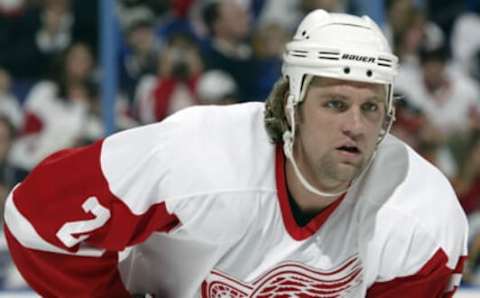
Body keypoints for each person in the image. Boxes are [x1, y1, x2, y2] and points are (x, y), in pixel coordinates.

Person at [3, 10, 468, 297]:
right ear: (292, 104)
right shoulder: (195, 155)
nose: (356, 124)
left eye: (371, 107)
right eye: (335, 104)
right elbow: (33, 218)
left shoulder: (420, 214)